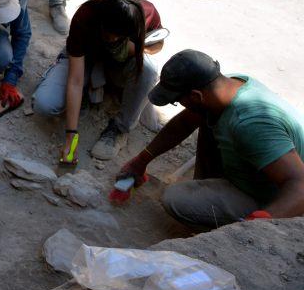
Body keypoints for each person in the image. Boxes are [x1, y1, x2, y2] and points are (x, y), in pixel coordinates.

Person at [119, 50, 304, 229]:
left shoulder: (249, 124)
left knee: (175, 199)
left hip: (278, 194)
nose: (179, 105)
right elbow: (183, 124)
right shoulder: (227, 85)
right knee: (207, 120)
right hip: (265, 166)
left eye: (177, 100)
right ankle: (210, 185)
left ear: (195, 95)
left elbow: (300, 184)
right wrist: (141, 160)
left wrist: (257, 224)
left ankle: (230, 211)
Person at [31, 0, 163, 162]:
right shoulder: (88, 14)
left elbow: (159, 43)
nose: (113, 39)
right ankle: (89, 90)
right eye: (109, 34)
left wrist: (136, 49)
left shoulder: (146, 13)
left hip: (118, 64)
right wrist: (72, 136)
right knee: (44, 104)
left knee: (149, 70)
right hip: (86, 58)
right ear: (101, 21)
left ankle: (120, 129)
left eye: (119, 36)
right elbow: (75, 79)